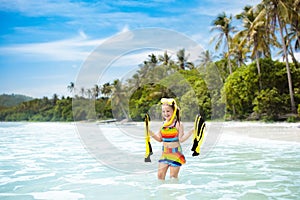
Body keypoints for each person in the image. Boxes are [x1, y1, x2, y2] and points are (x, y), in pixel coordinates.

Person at [149, 98, 194, 180]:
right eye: (163, 111)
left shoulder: (178, 124)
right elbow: (160, 139)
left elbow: (181, 139)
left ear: (174, 111)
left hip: (176, 154)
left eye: (168, 111)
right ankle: (162, 191)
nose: (165, 113)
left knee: (173, 177)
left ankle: (174, 192)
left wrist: (191, 132)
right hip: (165, 154)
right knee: (160, 176)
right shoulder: (162, 125)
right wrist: (150, 133)